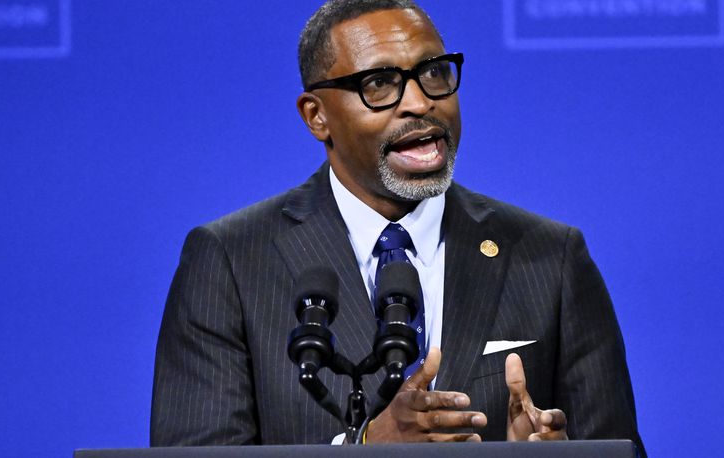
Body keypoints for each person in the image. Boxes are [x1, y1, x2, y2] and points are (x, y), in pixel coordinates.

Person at [150, 0, 645, 454]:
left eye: (432, 73)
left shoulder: (551, 256)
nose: (419, 102)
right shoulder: (231, 262)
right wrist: (365, 447)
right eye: (380, 84)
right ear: (316, 116)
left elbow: (617, 449)